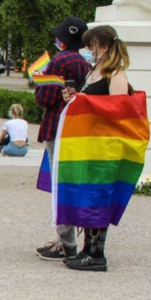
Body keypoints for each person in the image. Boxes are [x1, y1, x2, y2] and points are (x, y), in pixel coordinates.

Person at [62, 25, 133, 273]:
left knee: (98, 198)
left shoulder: (115, 74)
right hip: (89, 145)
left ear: (102, 47)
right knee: (87, 196)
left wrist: (85, 102)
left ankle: (97, 254)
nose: (87, 50)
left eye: (90, 45)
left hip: (105, 147)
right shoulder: (95, 71)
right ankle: (87, 248)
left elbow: (119, 111)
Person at [33, 17, 91, 261]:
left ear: (63, 40)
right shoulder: (86, 63)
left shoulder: (58, 60)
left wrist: (39, 81)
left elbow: (45, 99)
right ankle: (66, 239)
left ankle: (66, 243)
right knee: (72, 183)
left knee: (60, 185)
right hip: (77, 127)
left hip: (56, 124)